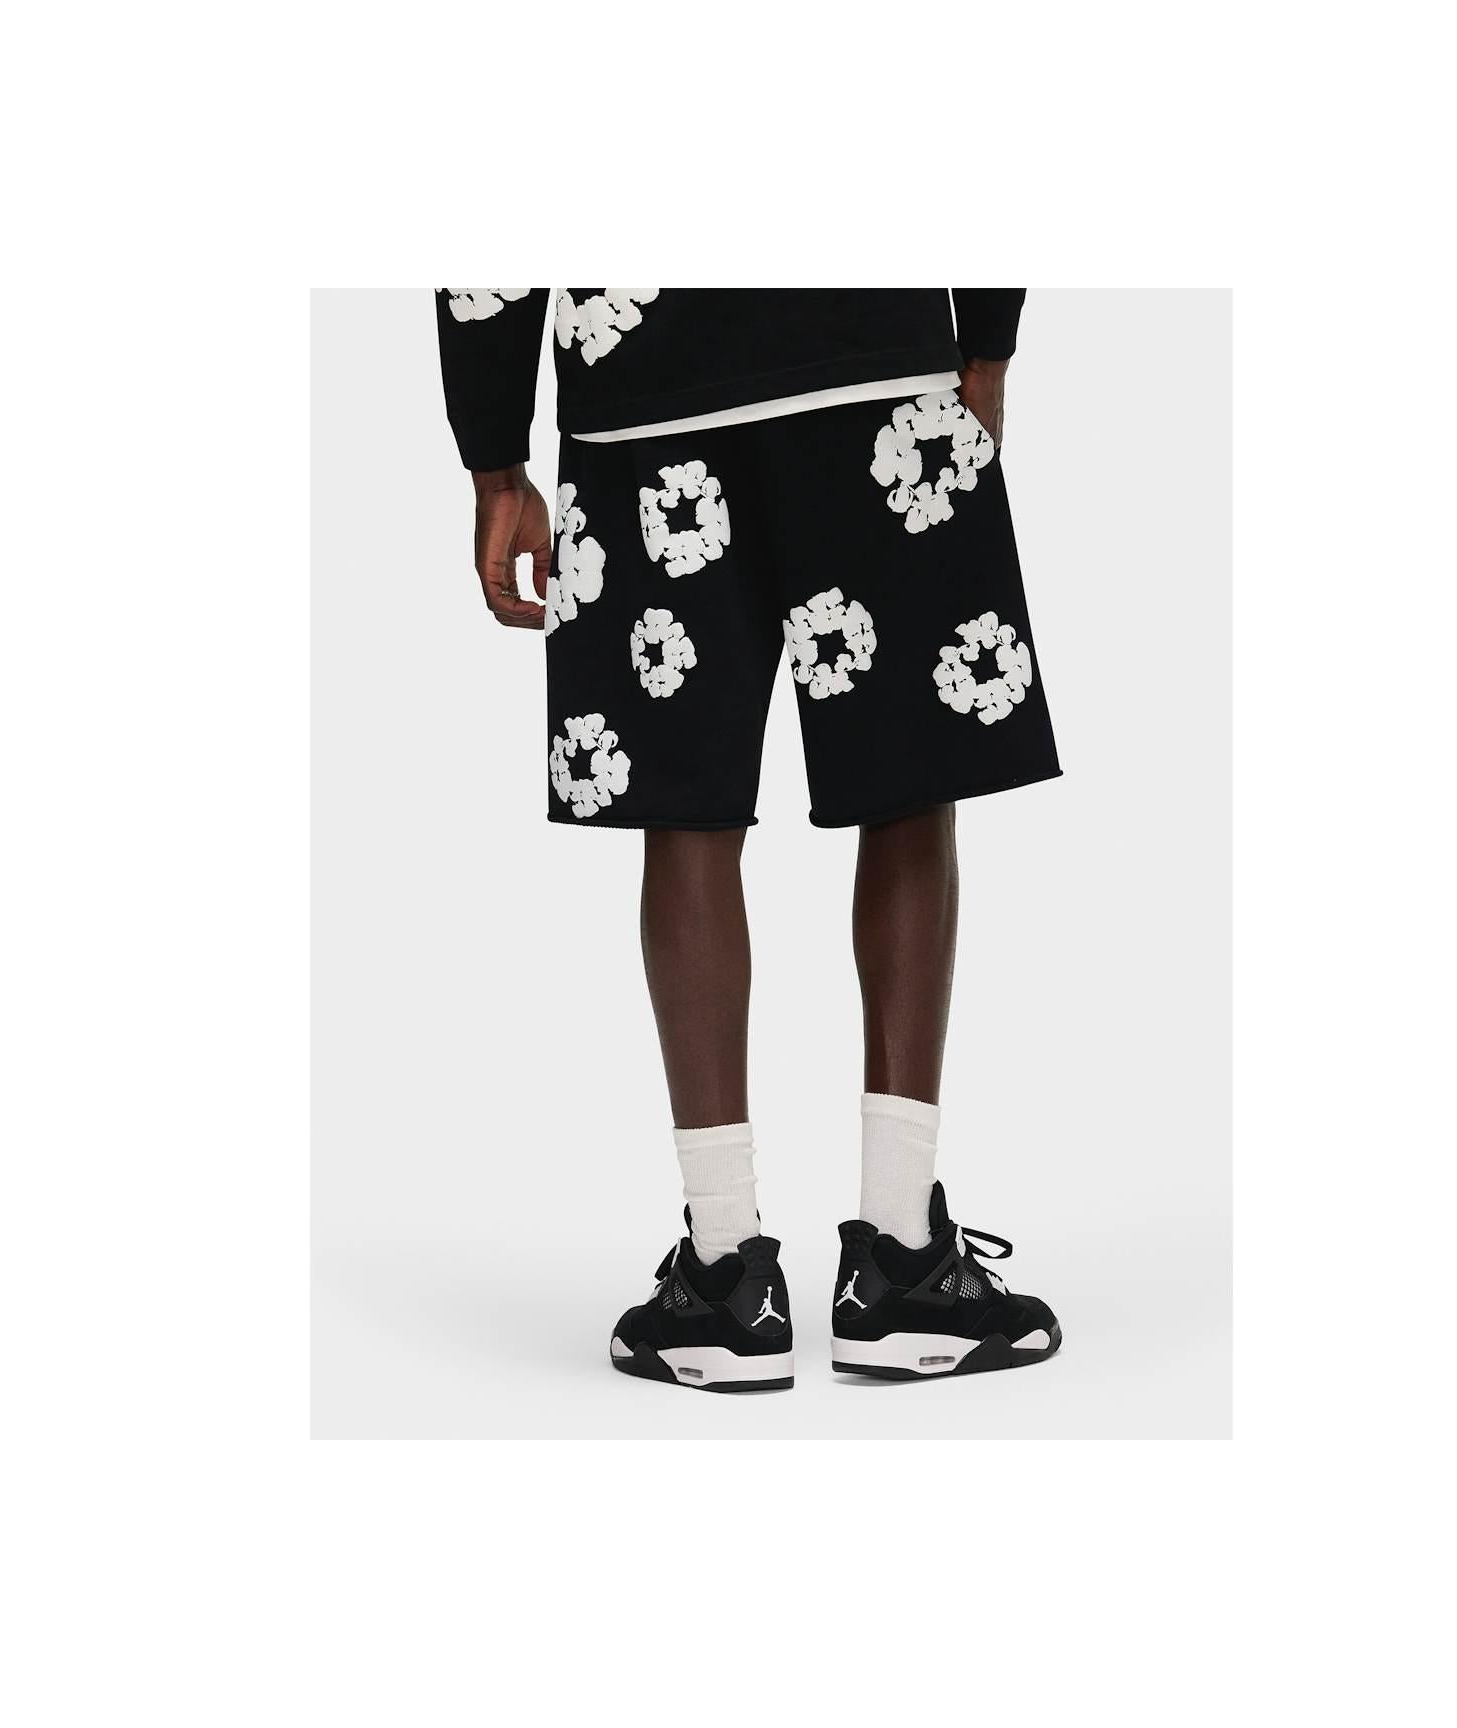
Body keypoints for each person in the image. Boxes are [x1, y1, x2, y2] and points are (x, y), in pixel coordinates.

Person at [437, 288, 1063, 1391]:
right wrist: (986, 346)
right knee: (909, 783)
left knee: (687, 811)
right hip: (872, 355)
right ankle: (902, 1260)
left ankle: (725, 1277)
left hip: (646, 389)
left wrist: (495, 459)